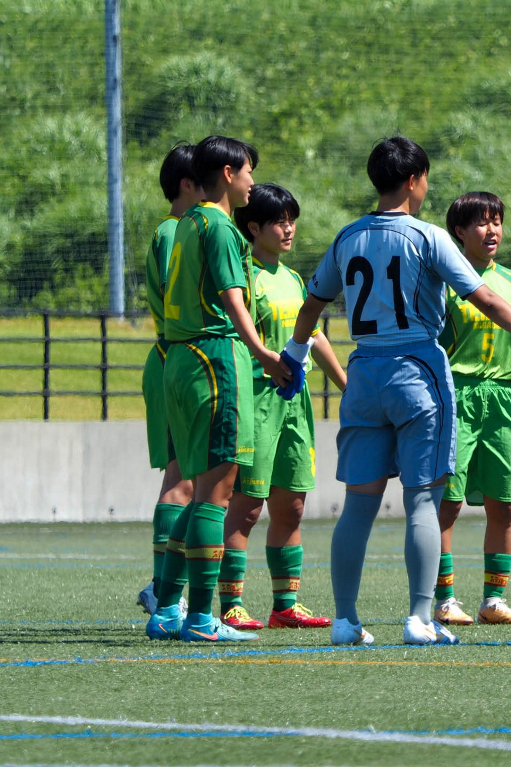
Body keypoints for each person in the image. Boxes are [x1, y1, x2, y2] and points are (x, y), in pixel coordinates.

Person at [286, 137, 511, 647]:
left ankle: (345, 619)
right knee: (423, 498)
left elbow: (312, 305)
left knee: (358, 503)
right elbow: (484, 297)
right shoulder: (427, 237)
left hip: (363, 373)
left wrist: (294, 355)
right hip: (417, 369)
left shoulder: (348, 236)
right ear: (414, 180)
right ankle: (420, 617)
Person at [148, 135, 290, 643]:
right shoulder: (222, 227)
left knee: (196, 490)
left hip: (179, 360)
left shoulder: (182, 224)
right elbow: (234, 300)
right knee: (216, 494)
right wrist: (264, 354)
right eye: (249, 170)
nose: (254, 180)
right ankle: (202, 618)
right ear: (228, 173)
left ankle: (167, 610)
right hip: (214, 359)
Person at [218, 184, 347, 631]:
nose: (288, 228)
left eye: (292, 218)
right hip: (255, 400)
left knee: (291, 505)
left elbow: (313, 335)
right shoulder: (244, 276)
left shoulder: (293, 279)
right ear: (253, 227)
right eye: (278, 221)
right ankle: (230, 603)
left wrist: (345, 384)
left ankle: (285, 606)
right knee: (248, 505)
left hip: (295, 404)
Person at [434, 192, 511, 627]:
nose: (492, 230)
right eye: (481, 222)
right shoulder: (443, 283)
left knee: (505, 503)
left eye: (497, 220)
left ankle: (493, 601)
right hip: (457, 395)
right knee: (449, 502)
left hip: (502, 398)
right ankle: (444, 600)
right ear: (459, 233)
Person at [137, 144, 203, 617]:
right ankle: (164, 592)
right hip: (175, 357)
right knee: (181, 476)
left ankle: (164, 589)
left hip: (180, 357)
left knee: (186, 475)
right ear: (188, 184)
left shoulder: (181, 229)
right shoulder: (174, 231)